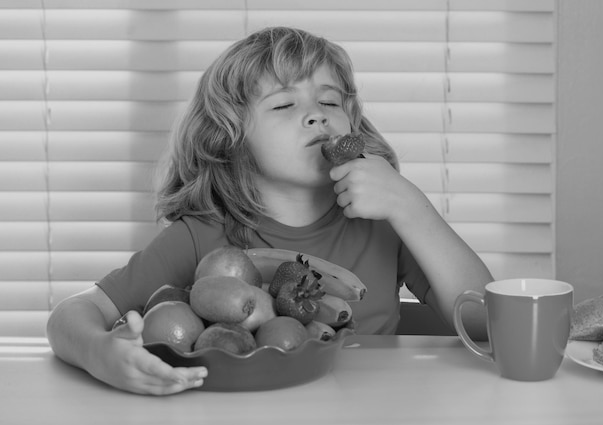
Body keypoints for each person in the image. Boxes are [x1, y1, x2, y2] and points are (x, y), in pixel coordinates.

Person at [47, 26, 493, 395]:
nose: (317, 115)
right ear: (230, 136)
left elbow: (488, 323)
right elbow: (73, 315)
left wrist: (412, 207)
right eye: (284, 104)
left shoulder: (386, 226)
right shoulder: (200, 236)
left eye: (330, 101)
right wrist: (99, 355)